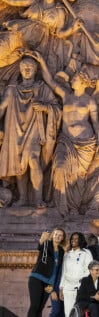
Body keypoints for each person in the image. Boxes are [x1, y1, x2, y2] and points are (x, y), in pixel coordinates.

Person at [28, 51, 99, 216]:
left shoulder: (90, 101)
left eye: (75, 78)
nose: (72, 80)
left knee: (78, 178)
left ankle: (74, 209)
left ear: (83, 82)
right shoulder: (66, 95)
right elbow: (51, 81)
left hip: (85, 144)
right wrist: (41, 62)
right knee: (59, 168)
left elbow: (96, 124)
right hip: (66, 141)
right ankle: (61, 208)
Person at [0, 56, 60, 207]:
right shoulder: (12, 89)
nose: (27, 70)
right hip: (14, 130)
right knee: (19, 165)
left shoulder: (42, 88)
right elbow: (2, 108)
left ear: (35, 70)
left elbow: (57, 107)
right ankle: (23, 198)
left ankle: (38, 199)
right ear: (20, 70)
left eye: (30, 67)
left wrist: (45, 108)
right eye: (24, 67)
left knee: (33, 160)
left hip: (35, 128)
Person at [27, 228, 66, 317]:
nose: (58, 236)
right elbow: (39, 245)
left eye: (61, 235)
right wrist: (42, 239)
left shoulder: (62, 251)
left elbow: (57, 271)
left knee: (40, 307)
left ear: (63, 238)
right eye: (56, 234)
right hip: (36, 278)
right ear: (52, 235)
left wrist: (52, 287)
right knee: (34, 305)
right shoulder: (46, 244)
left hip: (48, 283)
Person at [60, 231, 92, 317]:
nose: (73, 240)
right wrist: (61, 287)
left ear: (81, 240)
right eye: (72, 238)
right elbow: (64, 272)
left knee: (78, 312)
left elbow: (90, 269)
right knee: (68, 312)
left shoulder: (86, 253)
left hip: (80, 286)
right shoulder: (67, 254)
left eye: (76, 238)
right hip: (68, 287)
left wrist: (82, 279)